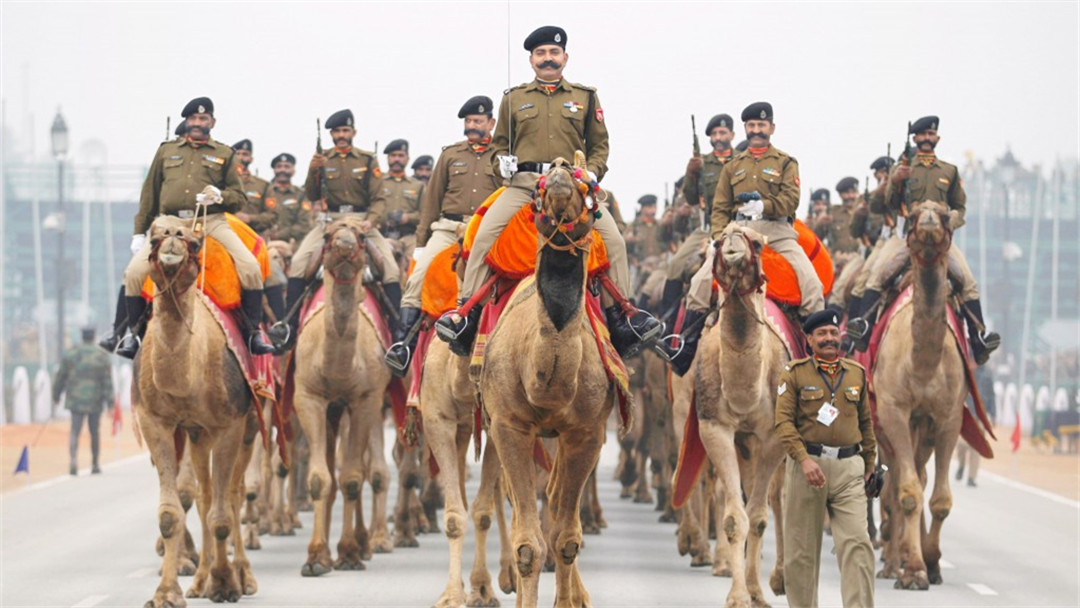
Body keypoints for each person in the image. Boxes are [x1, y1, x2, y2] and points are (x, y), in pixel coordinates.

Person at [434, 25, 661, 358]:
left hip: (573, 185)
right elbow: (498, 146)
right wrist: (503, 165)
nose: (548, 59)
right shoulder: (514, 98)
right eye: (541, 54)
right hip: (524, 185)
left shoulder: (585, 96)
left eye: (554, 53)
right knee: (481, 238)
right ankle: (466, 315)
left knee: (614, 241)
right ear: (531, 60)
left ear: (565, 58)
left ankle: (621, 317)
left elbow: (599, 145)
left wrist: (592, 172)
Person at [100, 96, 274, 358]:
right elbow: (150, 193)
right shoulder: (166, 151)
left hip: (210, 221)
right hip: (168, 222)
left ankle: (253, 334)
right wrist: (140, 230)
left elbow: (238, 198)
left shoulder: (225, 154)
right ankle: (131, 334)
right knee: (134, 272)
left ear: (212, 122)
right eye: (193, 118)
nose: (197, 123)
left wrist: (219, 196)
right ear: (187, 121)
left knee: (249, 266)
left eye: (203, 119)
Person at [661, 102, 823, 375]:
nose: (756, 130)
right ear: (745, 129)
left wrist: (765, 206)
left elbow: (791, 200)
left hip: (778, 233)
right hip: (738, 232)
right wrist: (718, 238)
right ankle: (686, 346)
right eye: (751, 126)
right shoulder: (733, 165)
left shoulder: (785, 162)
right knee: (701, 280)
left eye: (761, 125)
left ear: (771, 128)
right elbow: (721, 208)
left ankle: (814, 354)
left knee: (812, 284)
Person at [848, 116, 999, 364]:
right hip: (907, 238)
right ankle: (863, 328)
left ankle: (978, 339)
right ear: (915, 139)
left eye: (931, 135)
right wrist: (894, 182)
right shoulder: (903, 168)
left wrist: (952, 220)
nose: (927, 139)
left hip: (941, 241)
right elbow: (887, 204)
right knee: (876, 276)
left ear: (937, 138)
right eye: (923, 135)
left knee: (968, 282)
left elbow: (960, 206)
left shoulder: (949, 171)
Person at [270, 108, 402, 352]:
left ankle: (398, 334)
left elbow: (380, 199)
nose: (342, 135)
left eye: (345, 130)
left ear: (353, 132)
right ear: (331, 134)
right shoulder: (323, 158)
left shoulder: (367, 159)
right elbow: (311, 195)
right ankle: (288, 327)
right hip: (329, 221)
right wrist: (313, 170)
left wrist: (370, 222)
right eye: (337, 131)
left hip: (362, 220)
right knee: (299, 263)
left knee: (391, 269)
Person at [385, 95, 500, 373]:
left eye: (478, 121)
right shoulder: (450, 155)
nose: (472, 125)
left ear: (491, 123)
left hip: (486, 229)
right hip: (448, 229)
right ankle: (404, 347)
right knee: (417, 277)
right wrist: (422, 244)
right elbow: (431, 202)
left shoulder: (503, 155)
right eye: (468, 121)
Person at [775, 310, 876, 608]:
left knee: (858, 544)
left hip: (849, 469)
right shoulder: (794, 373)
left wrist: (870, 465)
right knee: (801, 553)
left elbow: (866, 424)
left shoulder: (856, 373)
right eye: (822, 334)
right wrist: (803, 460)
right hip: (808, 467)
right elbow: (782, 423)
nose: (829, 339)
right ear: (809, 339)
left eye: (833, 333)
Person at [658, 113, 736, 323]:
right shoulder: (703, 163)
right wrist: (691, 173)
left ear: (732, 134)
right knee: (676, 265)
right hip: (707, 227)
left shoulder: (741, 162)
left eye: (723, 132)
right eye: (715, 134)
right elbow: (692, 198)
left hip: (737, 225)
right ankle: (665, 323)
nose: (719, 137)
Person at [54, 327, 114, 475]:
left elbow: (61, 376)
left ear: (82, 337)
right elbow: (107, 381)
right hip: (95, 401)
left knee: (75, 431)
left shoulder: (71, 354)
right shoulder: (101, 356)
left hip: (75, 399)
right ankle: (94, 464)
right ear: (93, 337)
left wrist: (56, 395)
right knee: (94, 432)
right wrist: (110, 403)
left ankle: (73, 461)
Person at [380, 139, 425, 263]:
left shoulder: (417, 186)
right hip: (383, 234)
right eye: (393, 156)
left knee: (415, 262)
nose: (396, 159)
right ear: (388, 158)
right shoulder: (378, 182)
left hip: (409, 236)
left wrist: (408, 218)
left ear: (407, 159)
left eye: (400, 156)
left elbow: (425, 214)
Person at [262, 152, 313, 247]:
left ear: (293, 170)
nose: (282, 170)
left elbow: (304, 224)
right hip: (262, 241)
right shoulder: (264, 192)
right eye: (279, 166)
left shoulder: (301, 195)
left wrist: (279, 235)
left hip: (291, 243)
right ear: (274, 170)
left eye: (287, 166)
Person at [232, 139, 275, 234]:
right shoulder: (219, 182)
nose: (240, 157)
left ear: (251, 159)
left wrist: (250, 218)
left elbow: (272, 215)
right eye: (237, 154)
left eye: (245, 154)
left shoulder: (263, 186)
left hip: (251, 235)